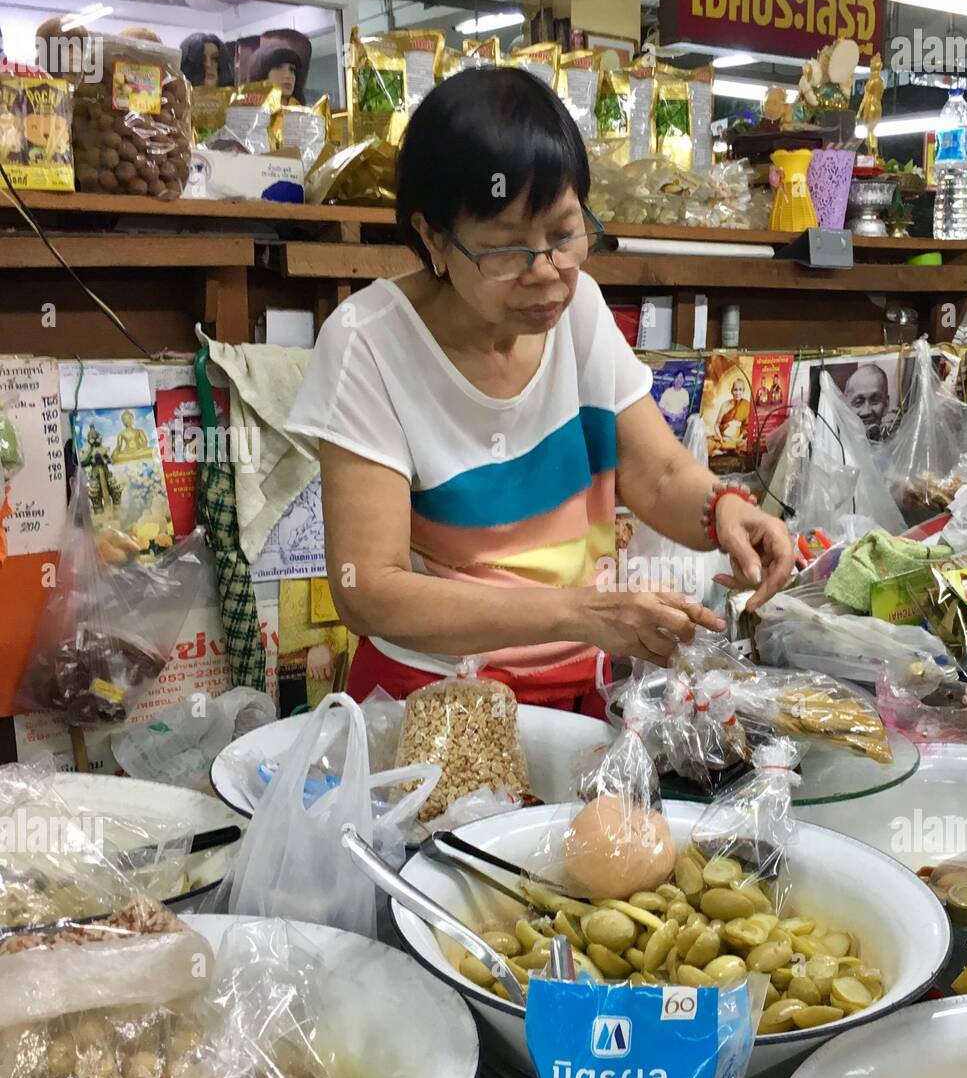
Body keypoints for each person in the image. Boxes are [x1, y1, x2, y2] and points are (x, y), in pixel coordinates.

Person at [286, 69, 792, 713]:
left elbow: (658, 472)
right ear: (434, 238)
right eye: (505, 250)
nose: (547, 273)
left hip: (585, 683)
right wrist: (579, 612)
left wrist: (725, 510)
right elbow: (369, 591)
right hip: (435, 697)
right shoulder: (369, 343)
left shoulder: (582, 312)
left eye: (563, 234)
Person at [842, 361, 892, 439]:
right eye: (858, 403)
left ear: (886, 405)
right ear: (845, 406)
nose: (867, 411)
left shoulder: (897, 445)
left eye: (875, 401)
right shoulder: (834, 444)